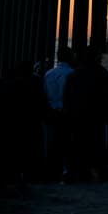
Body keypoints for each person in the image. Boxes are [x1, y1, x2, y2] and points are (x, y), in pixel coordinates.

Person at [63, 44, 108, 183]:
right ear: (97, 57)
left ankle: (80, 172)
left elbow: (67, 98)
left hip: (77, 117)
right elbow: (107, 97)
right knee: (97, 146)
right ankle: (100, 173)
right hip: (96, 117)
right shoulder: (104, 75)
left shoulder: (73, 75)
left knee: (79, 145)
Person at [42, 45, 75, 182]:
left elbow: (44, 94)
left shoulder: (48, 74)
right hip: (65, 112)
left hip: (51, 112)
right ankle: (65, 171)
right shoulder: (72, 74)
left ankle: (51, 172)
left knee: (52, 144)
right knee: (66, 143)